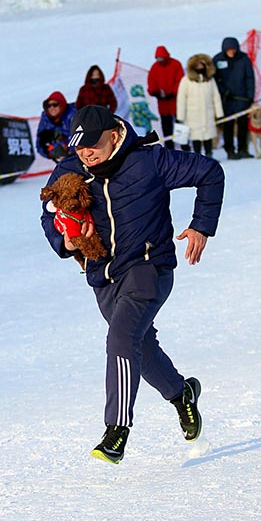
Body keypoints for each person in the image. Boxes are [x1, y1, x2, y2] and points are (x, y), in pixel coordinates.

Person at [41, 104, 225, 464]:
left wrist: (202, 225)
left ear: (113, 135)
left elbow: (210, 172)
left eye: (92, 144)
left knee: (122, 338)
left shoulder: (149, 162)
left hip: (148, 267)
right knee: (138, 346)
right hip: (102, 276)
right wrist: (68, 240)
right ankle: (181, 393)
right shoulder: (69, 170)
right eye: (79, 146)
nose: (85, 153)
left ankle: (116, 431)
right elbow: (49, 215)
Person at [213, 37, 255, 159]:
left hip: (242, 99)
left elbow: (250, 78)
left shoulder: (244, 59)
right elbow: (215, 79)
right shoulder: (217, 60)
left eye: (233, 49)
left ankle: (243, 149)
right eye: (229, 49)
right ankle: (230, 150)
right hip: (226, 100)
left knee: (242, 125)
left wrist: (250, 96)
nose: (231, 51)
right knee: (228, 126)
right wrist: (223, 92)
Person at [176, 54, 224, 157]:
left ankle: (209, 155)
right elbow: (181, 99)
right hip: (193, 115)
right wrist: (180, 116)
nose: (200, 66)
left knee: (208, 137)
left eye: (202, 64)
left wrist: (219, 113)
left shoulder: (210, 80)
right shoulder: (186, 80)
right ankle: (198, 158)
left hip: (208, 114)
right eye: (197, 64)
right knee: (196, 138)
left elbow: (216, 96)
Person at [147, 46, 184, 149]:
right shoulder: (155, 67)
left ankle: (184, 146)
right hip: (163, 103)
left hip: (176, 101)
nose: (160, 60)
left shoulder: (176, 64)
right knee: (166, 126)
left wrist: (173, 93)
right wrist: (154, 92)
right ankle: (169, 147)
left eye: (161, 58)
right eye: (158, 58)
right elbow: (151, 82)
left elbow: (180, 80)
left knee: (180, 123)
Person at [36, 91, 77, 162]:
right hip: (61, 159)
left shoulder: (72, 114)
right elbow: (40, 144)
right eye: (49, 106)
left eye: (55, 105)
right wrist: (51, 153)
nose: (52, 108)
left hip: (78, 154)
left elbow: (81, 135)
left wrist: (67, 148)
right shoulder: (45, 119)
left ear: (61, 105)